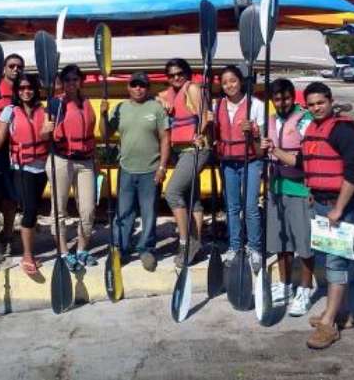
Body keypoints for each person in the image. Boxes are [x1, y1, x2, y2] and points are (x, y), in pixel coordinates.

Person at [265, 81, 354, 350]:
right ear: (306, 106)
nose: (317, 108)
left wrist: (339, 209)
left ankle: (328, 323)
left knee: (335, 264)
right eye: (312, 104)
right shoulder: (314, 129)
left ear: (330, 101)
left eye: (321, 102)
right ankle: (344, 314)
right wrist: (274, 151)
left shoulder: (344, 130)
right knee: (332, 259)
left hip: (339, 206)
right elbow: (303, 163)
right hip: (320, 201)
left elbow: (353, 174)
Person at [101, 72, 170, 271]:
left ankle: (146, 249)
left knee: (149, 213)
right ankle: (120, 249)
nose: (138, 89)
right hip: (126, 170)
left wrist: (162, 167)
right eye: (134, 85)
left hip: (151, 171)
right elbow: (106, 133)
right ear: (128, 87)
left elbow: (165, 139)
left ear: (147, 88)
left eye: (142, 85)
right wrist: (104, 115)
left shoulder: (156, 108)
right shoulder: (120, 108)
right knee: (124, 213)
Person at [259, 78, 315, 315]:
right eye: (277, 99)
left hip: (300, 188)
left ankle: (305, 288)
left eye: (286, 98)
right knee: (281, 244)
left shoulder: (305, 120)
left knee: (304, 244)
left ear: (294, 97)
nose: (282, 103)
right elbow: (259, 152)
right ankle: (285, 284)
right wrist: (256, 141)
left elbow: (307, 158)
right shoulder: (269, 121)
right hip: (276, 188)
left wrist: (274, 150)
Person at [0, 73, 49, 275]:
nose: (26, 91)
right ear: (16, 91)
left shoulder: (45, 110)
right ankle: (27, 256)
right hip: (22, 167)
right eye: (21, 88)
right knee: (30, 209)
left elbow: (51, 137)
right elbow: (0, 138)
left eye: (29, 87)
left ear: (35, 89)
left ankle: (26, 246)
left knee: (34, 208)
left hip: (42, 167)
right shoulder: (9, 111)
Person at [157, 58, 210, 267]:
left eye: (179, 73)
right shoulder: (170, 93)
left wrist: (200, 133)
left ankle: (186, 242)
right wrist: (160, 100)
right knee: (192, 199)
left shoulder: (193, 88)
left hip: (195, 149)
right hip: (181, 152)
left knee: (172, 193)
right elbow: (158, 96)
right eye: (171, 75)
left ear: (187, 74)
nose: (176, 77)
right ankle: (197, 247)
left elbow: (205, 116)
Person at [44, 64, 97, 272]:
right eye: (67, 80)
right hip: (61, 159)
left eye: (75, 79)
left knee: (88, 210)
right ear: (62, 83)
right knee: (59, 210)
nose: (72, 83)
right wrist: (46, 131)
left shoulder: (86, 102)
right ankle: (64, 252)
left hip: (85, 161)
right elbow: (43, 134)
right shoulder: (55, 104)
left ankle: (82, 250)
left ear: (80, 81)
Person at [213, 65, 264, 271]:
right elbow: (213, 136)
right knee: (231, 207)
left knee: (250, 207)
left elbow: (261, 147)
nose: (229, 85)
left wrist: (252, 132)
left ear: (241, 81)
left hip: (250, 160)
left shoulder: (256, 105)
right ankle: (234, 246)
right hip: (227, 162)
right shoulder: (217, 106)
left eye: (233, 80)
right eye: (225, 83)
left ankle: (254, 248)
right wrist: (205, 129)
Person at [0, 53, 25, 259]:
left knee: (11, 198)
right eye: (11, 66)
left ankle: (9, 235)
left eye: (19, 66)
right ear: (3, 68)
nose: (15, 69)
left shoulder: (25, 89)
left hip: (17, 150)